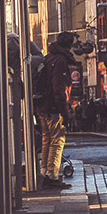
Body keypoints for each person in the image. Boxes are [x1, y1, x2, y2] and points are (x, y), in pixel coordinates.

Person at [35, 31, 78, 188]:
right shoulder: (60, 61)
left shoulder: (48, 58)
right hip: (54, 107)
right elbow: (59, 89)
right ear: (68, 45)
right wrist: (65, 111)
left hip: (43, 106)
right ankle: (52, 176)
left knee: (47, 139)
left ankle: (45, 171)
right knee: (57, 141)